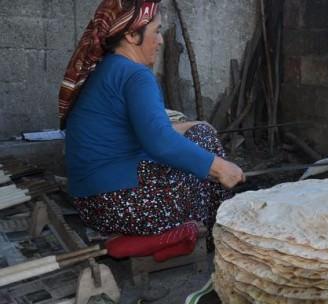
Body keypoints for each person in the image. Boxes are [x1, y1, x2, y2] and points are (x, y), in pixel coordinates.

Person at [59, 0, 244, 236]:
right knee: (205, 143)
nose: (161, 40)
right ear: (131, 35)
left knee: (197, 133)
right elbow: (159, 141)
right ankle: (222, 231)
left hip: (91, 204)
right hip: (124, 205)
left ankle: (218, 223)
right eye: (156, 31)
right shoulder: (136, 75)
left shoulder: (106, 68)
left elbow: (138, 127)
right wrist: (220, 168)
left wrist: (188, 126)